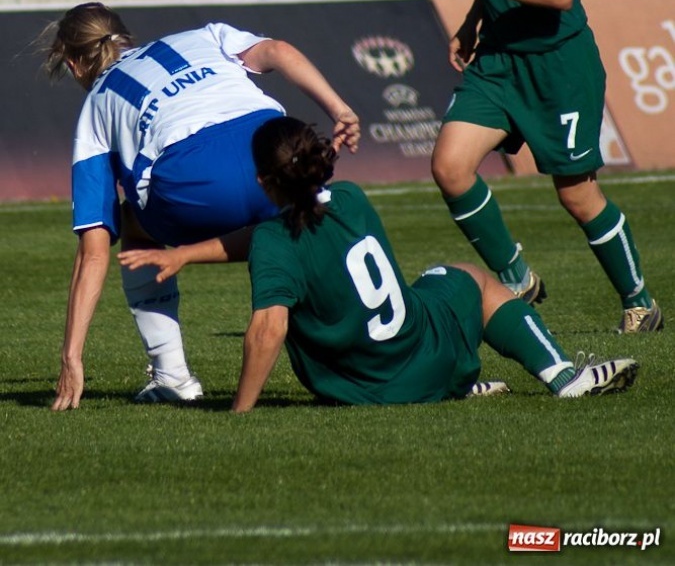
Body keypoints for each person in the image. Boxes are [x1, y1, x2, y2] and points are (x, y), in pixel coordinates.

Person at [122, 117, 639, 408]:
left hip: (361, 389)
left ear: (262, 182)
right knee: (469, 278)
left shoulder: (276, 242)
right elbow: (269, 239)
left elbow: (268, 329)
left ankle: (461, 385)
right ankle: (562, 374)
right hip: (423, 357)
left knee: (429, 288)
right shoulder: (351, 197)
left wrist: (239, 411)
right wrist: (188, 253)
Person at [43, 2, 360, 411]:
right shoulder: (203, 35)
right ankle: (379, 341)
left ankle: (171, 375)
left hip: (194, 185)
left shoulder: (98, 103)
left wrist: (72, 356)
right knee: (318, 222)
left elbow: (94, 249)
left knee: (133, 225)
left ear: (73, 64)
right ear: (126, 35)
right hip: (278, 155)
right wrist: (339, 109)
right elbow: (279, 50)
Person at [430, 0, 662, 334]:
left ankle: (640, 302)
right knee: (449, 166)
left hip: (558, 66)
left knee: (576, 194)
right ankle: (517, 278)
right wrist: (471, 24)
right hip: (499, 60)